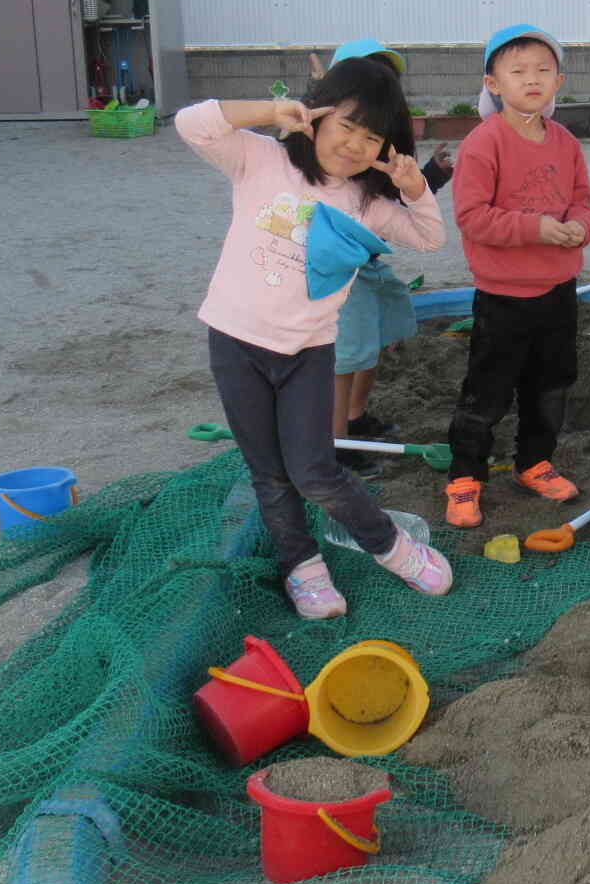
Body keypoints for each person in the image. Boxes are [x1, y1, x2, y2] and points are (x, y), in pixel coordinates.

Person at [177, 61, 453, 619]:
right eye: (345, 125)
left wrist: (414, 186)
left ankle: (392, 547)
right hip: (236, 343)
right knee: (270, 474)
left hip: (307, 352)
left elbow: (429, 236)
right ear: (318, 115)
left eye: (371, 136)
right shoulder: (262, 159)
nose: (353, 145)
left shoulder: (367, 204)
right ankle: (303, 567)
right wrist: (270, 113)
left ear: (386, 145)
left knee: (314, 471)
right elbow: (191, 123)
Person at [443, 24, 590, 530]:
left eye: (543, 71)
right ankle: (465, 477)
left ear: (559, 80)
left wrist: (578, 228)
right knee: (486, 392)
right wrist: (537, 229)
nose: (532, 79)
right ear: (493, 83)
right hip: (502, 296)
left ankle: (533, 462)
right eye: (518, 71)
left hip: (557, 289)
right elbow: (472, 216)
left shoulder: (566, 142)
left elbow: (581, 200)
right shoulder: (483, 143)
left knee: (551, 385)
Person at [308, 42, 456, 478]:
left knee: (378, 336)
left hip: (368, 261)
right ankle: (336, 447)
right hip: (338, 270)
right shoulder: (326, 145)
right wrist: (307, 97)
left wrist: (427, 177)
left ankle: (356, 418)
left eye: (386, 81)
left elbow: (390, 204)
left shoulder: (381, 142)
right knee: (346, 356)